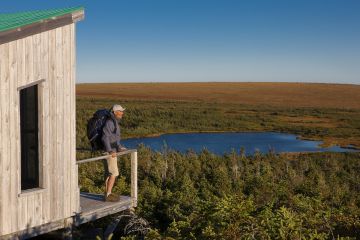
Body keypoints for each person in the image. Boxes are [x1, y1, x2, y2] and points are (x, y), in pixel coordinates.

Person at [101, 104, 127, 202]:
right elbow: (105, 137)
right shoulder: (110, 122)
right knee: (114, 172)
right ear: (115, 112)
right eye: (120, 111)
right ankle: (108, 194)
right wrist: (110, 150)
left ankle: (107, 193)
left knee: (109, 173)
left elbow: (115, 137)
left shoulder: (113, 121)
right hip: (109, 152)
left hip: (112, 150)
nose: (122, 113)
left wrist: (119, 147)